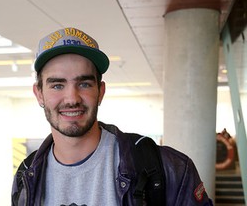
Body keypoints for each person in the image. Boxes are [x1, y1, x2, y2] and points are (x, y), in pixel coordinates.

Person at [11, 27, 213, 205]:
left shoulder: (168, 168)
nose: (72, 98)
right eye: (57, 85)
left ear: (101, 91)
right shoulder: (25, 179)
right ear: (39, 94)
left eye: (84, 84)